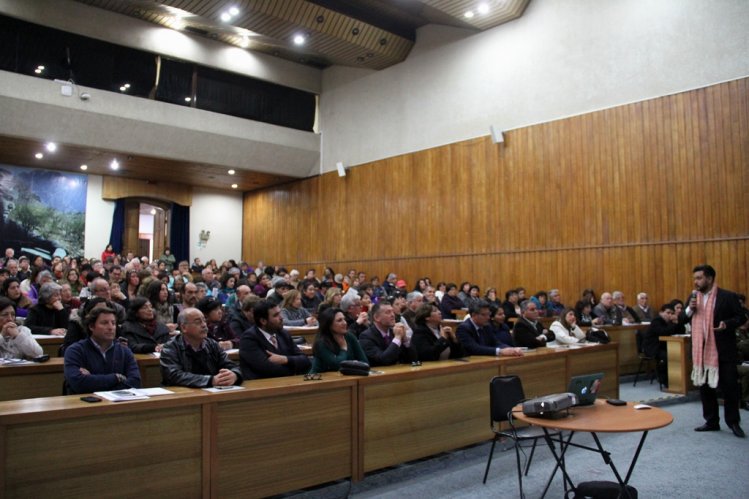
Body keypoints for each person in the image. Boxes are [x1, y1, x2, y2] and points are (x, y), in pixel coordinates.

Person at [682, 264, 745, 437]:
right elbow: (682, 319)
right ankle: (711, 421)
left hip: (723, 349)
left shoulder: (727, 296)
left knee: (730, 387)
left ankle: (733, 422)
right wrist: (690, 309)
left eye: (699, 278)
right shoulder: (693, 297)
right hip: (700, 350)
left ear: (709, 278)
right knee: (705, 387)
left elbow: (741, 317)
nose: (696, 281)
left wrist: (727, 324)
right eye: (695, 278)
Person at [63, 307, 141, 394]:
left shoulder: (124, 350)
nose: (111, 327)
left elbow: (135, 382)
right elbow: (78, 383)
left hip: (118, 403)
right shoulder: (75, 351)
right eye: (104, 323)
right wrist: (116, 377)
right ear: (91, 326)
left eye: (113, 323)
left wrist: (93, 379)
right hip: (85, 404)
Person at [160, 307, 242, 387]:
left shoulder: (212, 344)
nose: (204, 325)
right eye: (198, 322)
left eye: (204, 321)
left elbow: (232, 366)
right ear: (184, 327)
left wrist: (234, 375)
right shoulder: (170, 348)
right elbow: (173, 375)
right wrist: (210, 380)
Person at [239, 300, 310, 379]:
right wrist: (294, 368)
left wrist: (285, 359)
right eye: (276, 315)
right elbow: (266, 369)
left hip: (287, 382)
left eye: (280, 313)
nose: (281, 318)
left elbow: (305, 360)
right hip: (261, 386)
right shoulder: (249, 338)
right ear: (263, 321)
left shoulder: (283, 334)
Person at [309, 307, 368, 373]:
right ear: (329, 324)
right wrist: (343, 349)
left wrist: (352, 365)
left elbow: (364, 362)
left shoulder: (349, 336)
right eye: (339, 320)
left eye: (344, 319)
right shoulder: (321, 343)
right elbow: (337, 365)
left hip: (345, 377)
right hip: (319, 379)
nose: (345, 323)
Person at [456, 300, 523, 357]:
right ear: (474, 315)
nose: (488, 317)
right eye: (484, 315)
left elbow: (495, 342)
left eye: (489, 314)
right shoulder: (463, 328)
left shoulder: (486, 326)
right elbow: (474, 348)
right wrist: (500, 351)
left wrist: (511, 349)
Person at [358, 302, 417, 366]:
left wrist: (405, 340)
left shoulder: (394, 332)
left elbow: (413, 359)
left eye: (392, 312)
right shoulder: (366, 336)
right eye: (388, 312)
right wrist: (397, 338)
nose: (393, 315)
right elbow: (384, 360)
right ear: (376, 317)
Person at [641, 303, 678, 387]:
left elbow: (677, 331)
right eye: (668, 313)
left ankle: (676, 379)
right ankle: (664, 380)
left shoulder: (669, 322)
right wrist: (674, 324)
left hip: (664, 346)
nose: (670, 315)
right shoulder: (657, 321)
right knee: (665, 356)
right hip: (652, 347)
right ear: (661, 312)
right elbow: (663, 332)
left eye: (672, 313)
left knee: (675, 354)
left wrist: (676, 323)